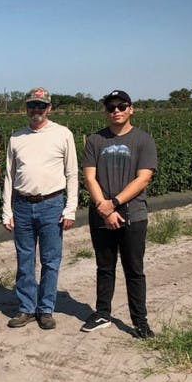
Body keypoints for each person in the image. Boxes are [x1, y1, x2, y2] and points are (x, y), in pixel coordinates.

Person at [81, 89, 158, 339]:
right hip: (101, 213)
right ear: (105, 111)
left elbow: (143, 178)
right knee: (105, 267)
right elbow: (90, 177)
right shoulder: (95, 140)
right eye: (111, 107)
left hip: (133, 214)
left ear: (131, 109)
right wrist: (104, 207)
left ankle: (140, 321)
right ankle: (102, 312)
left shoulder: (143, 140)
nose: (116, 111)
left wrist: (113, 203)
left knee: (134, 269)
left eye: (121, 106)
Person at [2, 87, 79, 330]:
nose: (36, 110)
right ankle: (26, 308)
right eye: (32, 105)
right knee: (24, 260)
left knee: (50, 260)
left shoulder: (63, 134)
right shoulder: (17, 137)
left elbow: (72, 173)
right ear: (26, 108)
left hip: (52, 205)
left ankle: (46, 309)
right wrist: (7, 210)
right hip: (23, 205)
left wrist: (71, 208)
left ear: (49, 108)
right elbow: (8, 177)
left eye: (41, 105)